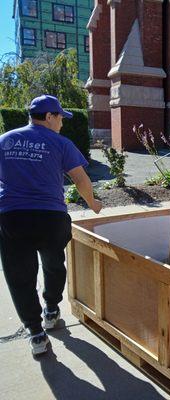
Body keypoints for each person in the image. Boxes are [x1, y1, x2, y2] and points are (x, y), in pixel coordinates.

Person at [0, 95, 102, 356]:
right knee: (54, 264)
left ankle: (35, 333)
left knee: (20, 276)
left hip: (13, 218)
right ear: (48, 117)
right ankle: (51, 309)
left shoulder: (5, 140)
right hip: (50, 217)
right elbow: (80, 178)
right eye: (60, 118)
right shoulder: (60, 143)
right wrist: (93, 204)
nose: (62, 124)